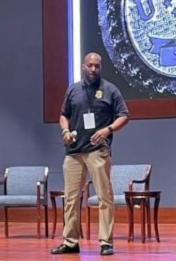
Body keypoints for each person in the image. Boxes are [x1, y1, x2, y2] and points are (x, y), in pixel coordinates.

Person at [51, 53, 129, 256]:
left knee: (104, 197)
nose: (94, 69)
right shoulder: (73, 90)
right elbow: (63, 115)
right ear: (83, 66)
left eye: (97, 66)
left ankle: (105, 242)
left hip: (98, 151)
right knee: (71, 198)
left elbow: (124, 115)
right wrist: (65, 132)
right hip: (74, 152)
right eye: (90, 66)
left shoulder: (110, 89)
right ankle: (70, 241)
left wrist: (108, 130)